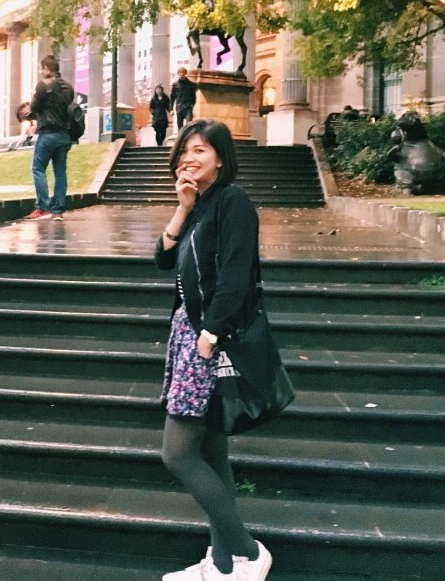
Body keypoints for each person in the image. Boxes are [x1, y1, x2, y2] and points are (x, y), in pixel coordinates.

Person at [155, 119, 272, 581]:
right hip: (189, 335)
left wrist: (211, 335)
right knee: (213, 455)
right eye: (184, 151)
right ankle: (221, 566)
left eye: (200, 150)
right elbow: (162, 259)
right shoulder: (200, 206)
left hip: (208, 339)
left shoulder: (233, 201)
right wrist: (181, 210)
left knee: (178, 453)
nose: (189, 157)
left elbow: (236, 274)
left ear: (221, 158)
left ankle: (247, 552)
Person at [19, 54, 74, 221]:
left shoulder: (43, 85)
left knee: (38, 168)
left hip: (48, 134)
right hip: (65, 135)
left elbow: (34, 107)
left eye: (41, 68)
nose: (41, 72)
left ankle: (42, 207)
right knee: (60, 172)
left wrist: (30, 108)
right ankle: (58, 210)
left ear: (46, 69)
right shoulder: (69, 87)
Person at [170, 66, 197, 131]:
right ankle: (181, 138)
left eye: (183, 72)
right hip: (179, 107)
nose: (181, 74)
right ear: (178, 73)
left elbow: (194, 96)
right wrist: (171, 109)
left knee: (189, 124)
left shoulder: (191, 84)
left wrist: (192, 104)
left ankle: (187, 137)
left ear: (185, 73)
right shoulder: (175, 85)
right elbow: (172, 97)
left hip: (188, 107)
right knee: (180, 126)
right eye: (180, 72)